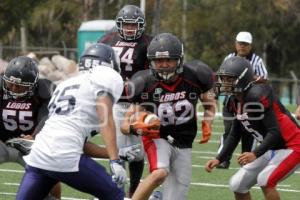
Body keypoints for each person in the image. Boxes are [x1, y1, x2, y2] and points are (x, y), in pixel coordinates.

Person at [16, 43, 127, 200]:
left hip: (39, 154)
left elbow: (77, 141)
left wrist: (117, 153)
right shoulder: (107, 76)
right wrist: (115, 160)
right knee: (114, 194)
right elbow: (105, 117)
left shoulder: (66, 84)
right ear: (109, 64)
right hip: (65, 156)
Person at [121, 33, 216, 200]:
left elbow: (209, 104)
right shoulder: (144, 82)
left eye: (169, 60)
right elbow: (124, 125)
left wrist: (208, 121)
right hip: (158, 136)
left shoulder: (195, 75)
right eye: (159, 61)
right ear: (151, 62)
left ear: (179, 59)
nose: (164, 65)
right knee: (160, 172)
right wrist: (137, 128)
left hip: (184, 141)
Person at [205, 56, 300, 200]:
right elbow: (234, 134)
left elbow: (275, 132)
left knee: (266, 180)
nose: (224, 83)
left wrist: (255, 153)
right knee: (237, 184)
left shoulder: (257, 96)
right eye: (223, 79)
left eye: (229, 80)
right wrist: (219, 158)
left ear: (242, 79)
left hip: (292, 145)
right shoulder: (234, 99)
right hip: (272, 147)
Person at [98, 4, 153, 197]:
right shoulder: (107, 39)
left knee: (137, 151)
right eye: (127, 24)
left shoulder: (149, 43)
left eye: (134, 25)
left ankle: (134, 189)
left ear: (141, 25)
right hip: (114, 100)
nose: (130, 28)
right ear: (119, 24)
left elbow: (152, 74)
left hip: (139, 101)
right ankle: (115, 190)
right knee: (118, 149)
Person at [0, 56, 61, 199]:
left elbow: (47, 117)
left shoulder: (43, 90)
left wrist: (35, 137)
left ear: (33, 84)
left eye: (20, 86)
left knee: (50, 174)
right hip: (3, 142)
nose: (14, 89)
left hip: (30, 144)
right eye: (10, 84)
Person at [217, 31, 269, 169]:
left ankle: (246, 159)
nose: (242, 47)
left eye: (246, 44)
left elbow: (264, 78)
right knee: (229, 130)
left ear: (250, 46)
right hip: (230, 100)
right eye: (240, 43)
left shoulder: (256, 60)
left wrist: (248, 77)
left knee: (248, 131)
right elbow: (221, 76)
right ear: (235, 44)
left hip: (249, 101)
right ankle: (223, 159)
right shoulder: (229, 57)